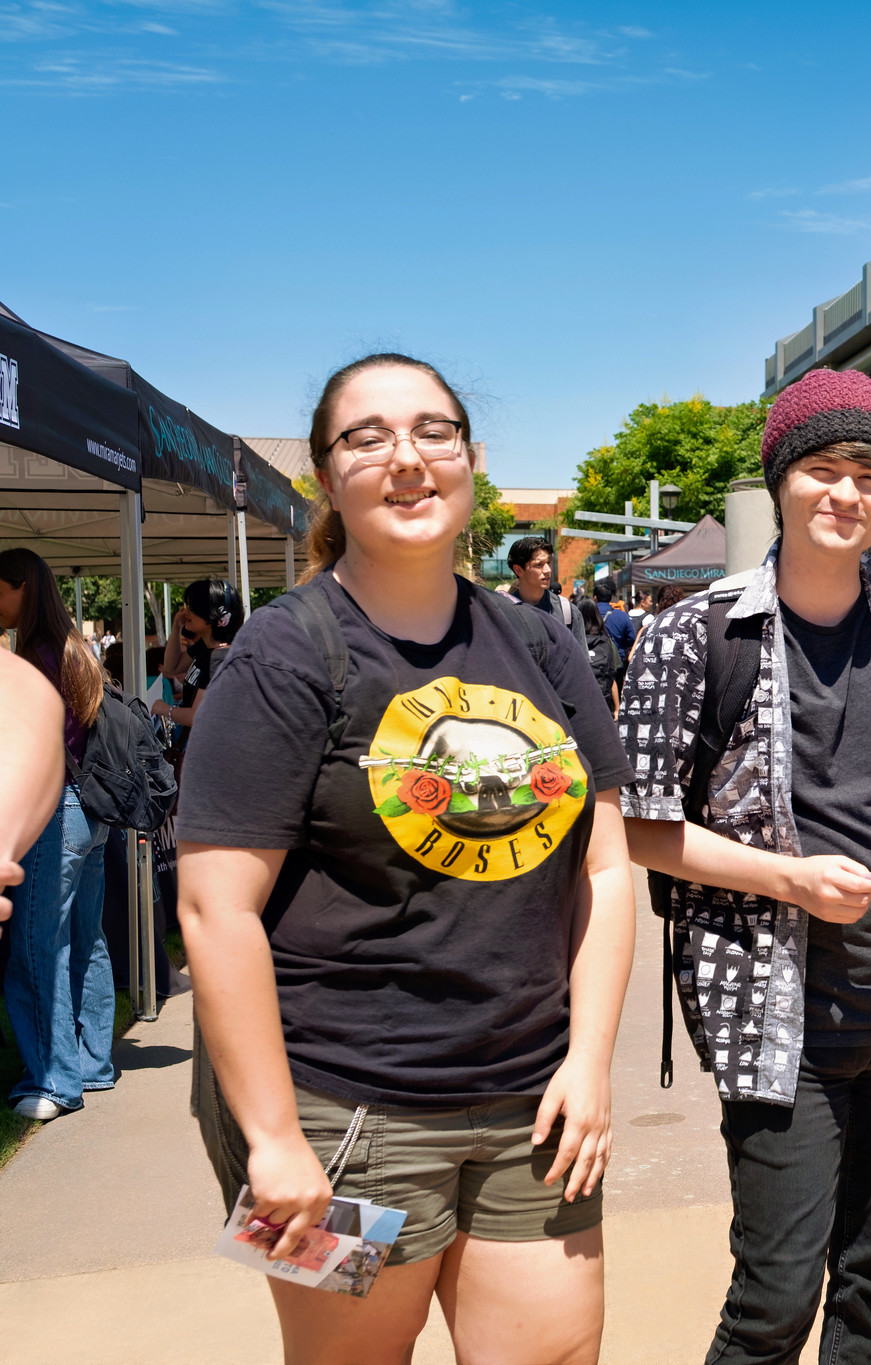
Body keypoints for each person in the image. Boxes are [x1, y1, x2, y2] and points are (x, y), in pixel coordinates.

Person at [177, 353, 636, 1364]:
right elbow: (216, 911)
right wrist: (273, 1140)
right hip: (343, 1117)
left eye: (433, 432)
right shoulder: (284, 654)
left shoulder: (543, 645)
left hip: (534, 1109)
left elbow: (605, 870)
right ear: (327, 480)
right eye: (367, 437)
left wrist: (590, 1063)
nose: (406, 459)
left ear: (469, 460)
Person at [618, 367, 871, 1365]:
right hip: (771, 1011)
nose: (845, 494)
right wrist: (790, 880)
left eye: (870, 477)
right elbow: (639, 823)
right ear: (781, 479)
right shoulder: (689, 635)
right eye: (822, 470)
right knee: (776, 1296)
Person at [0, 548, 115, 1121]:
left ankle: (53, 1080)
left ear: (21, 588)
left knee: (35, 947)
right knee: (84, 939)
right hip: (90, 813)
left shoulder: (37, 656)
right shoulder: (74, 648)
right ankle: (93, 1065)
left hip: (56, 814)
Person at [0, 648, 66, 934]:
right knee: (78, 936)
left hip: (67, 807)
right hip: (81, 803)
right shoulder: (71, 660)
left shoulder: (31, 676)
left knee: (40, 944)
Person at [153, 578, 244, 745]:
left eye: (192, 608)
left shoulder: (219, 658)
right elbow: (170, 668)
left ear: (212, 615)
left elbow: (197, 716)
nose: (186, 612)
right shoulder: (205, 647)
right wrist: (176, 627)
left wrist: (164, 709)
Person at [508, 534, 576, 627]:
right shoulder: (504, 612)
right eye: (539, 564)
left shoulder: (566, 611)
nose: (548, 570)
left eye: (548, 562)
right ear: (518, 570)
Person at [577, 597, 621, 713]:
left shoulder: (570, 641)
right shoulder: (607, 642)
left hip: (577, 705)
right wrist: (617, 708)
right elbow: (612, 677)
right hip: (602, 705)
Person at [591, 576, 638, 658]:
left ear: (595, 597)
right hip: (616, 660)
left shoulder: (587, 613)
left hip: (593, 659)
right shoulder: (621, 615)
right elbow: (631, 638)